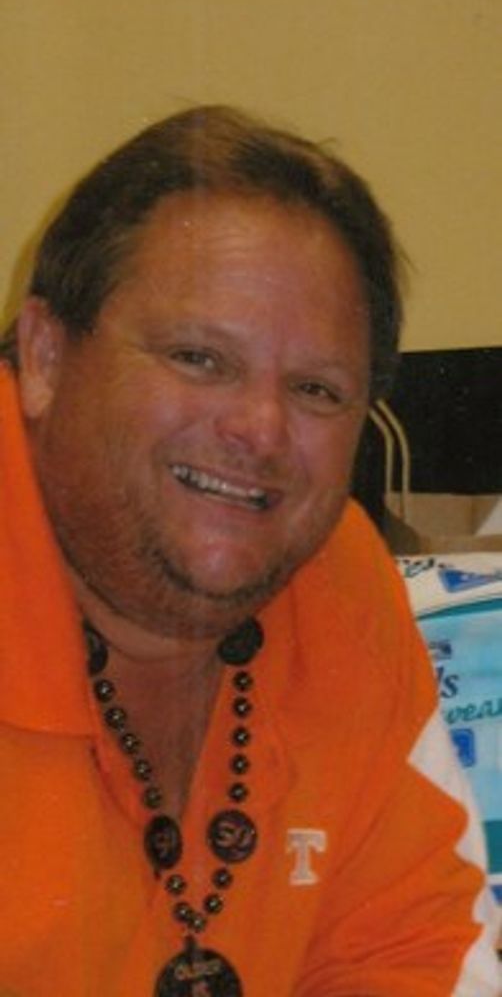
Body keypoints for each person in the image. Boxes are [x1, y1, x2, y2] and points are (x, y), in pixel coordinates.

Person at [0, 105, 499, 997]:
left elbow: (417, 951)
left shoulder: (337, 576)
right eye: (199, 358)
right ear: (43, 356)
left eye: (316, 390)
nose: (261, 429)